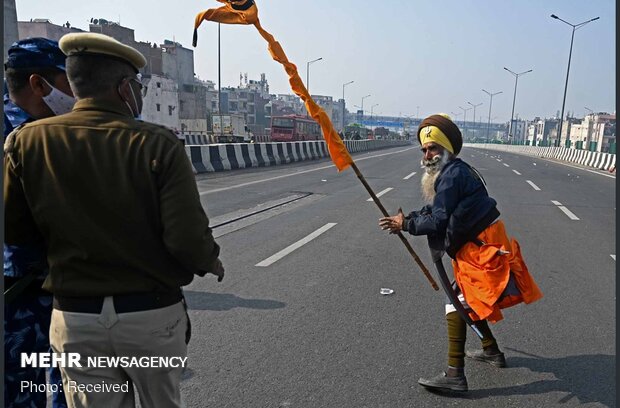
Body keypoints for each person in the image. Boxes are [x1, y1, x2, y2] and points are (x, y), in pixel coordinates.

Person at [4, 32, 224, 408]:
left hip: (75, 317)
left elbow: (15, 230)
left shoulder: (26, 141)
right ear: (125, 88)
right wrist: (209, 261)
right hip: (151, 314)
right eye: (137, 86)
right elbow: (185, 238)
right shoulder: (159, 143)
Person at [379, 113, 542, 393]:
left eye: (433, 148)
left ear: (445, 149)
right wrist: (410, 219)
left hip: (479, 248)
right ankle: (491, 350)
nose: (427, 154)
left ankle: (455, 374)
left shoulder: (452, 175)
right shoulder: (452, 172)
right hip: (474, 246)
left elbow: (439, 220)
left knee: (456, 301)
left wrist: (405, 224)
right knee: (467, 298)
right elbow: (437, 211)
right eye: (424, 149)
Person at [3, 37, 73, 408]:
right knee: (18, 388)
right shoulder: (12, 134)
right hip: (17, 288)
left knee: (70, 383)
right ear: (37, 84)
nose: (74, 90)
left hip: (67, 284)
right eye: (67, 81)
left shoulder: (71, 127)